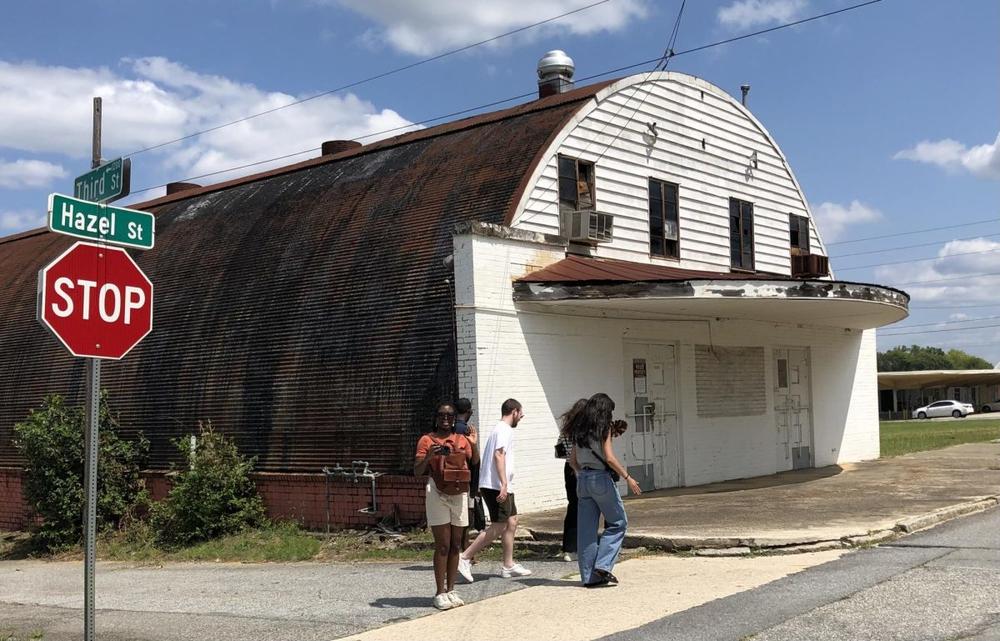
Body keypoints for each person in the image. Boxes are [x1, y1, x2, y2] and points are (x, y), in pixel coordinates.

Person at [567, 393, 641, 587]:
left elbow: (572, 460)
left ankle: (589, 578)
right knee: (618, 523)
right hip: (601, 479)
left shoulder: (578, 429)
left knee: (586, 531)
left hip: (582, 480)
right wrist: (628, 477)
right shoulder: (603, 428)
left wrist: (581, 475)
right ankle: (603, 565)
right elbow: (609, 458)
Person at [457, 398, 531, 582]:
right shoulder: (503, 430)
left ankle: (508, 565)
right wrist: (503, 484)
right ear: (513, 411)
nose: (521, 417)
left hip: (500, 484)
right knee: (499, 525)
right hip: (496, 485)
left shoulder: (501, 429)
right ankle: (464, 557)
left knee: (512, 521)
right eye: (520, 413)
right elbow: (499, 455)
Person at [413, 402, 479, 610]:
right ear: (435, 417)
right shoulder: (426, 440)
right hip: (437, 492)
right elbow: (417, 471)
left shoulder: (461, 439)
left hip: (458, 492)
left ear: (454, 419)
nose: (445, 418)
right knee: (442, 544)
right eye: (441, 415)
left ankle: (451, 589)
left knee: (456, 544)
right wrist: (431, 456)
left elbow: (475, 461)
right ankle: (439, 592)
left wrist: (474, 444)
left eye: (450, 416)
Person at [555, 398, 587, 562]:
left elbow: (558, 451)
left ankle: (568, 547)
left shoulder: (566, 430)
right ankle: (582, 546)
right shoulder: (585, 431)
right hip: (582, 469)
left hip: (568, 469)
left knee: (572, 506)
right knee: (586, 508)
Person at [452, 398, 481, 553]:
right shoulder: (467, 431)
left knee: (453, 519)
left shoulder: (448, 429)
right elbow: (474, 460)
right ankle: (465, 552)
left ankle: (457, 551)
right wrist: (475, 486)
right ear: (469, 412)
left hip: (449, 478)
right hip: (466, 479)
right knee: (465, 518)